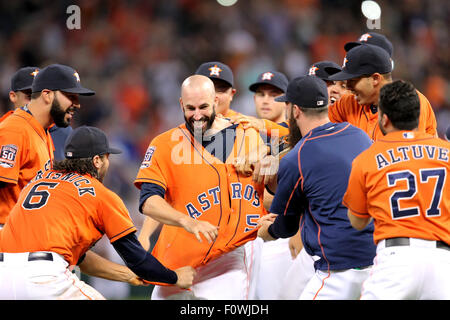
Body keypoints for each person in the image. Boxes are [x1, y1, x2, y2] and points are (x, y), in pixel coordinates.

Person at [0, 126, 195, 299]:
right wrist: (175, 277)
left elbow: (81, 259)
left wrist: (127, 274)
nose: (108, 163)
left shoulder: (36, 182)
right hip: (45, 278)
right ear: (97, 161)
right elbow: (138, 260)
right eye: (106, 157)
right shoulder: (100, 195)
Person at [134, 74, 268, 300]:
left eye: (203, 107)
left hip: (227, 258)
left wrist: (266, 156)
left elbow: (268, 189)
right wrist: (186, 221)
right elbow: (148, 201)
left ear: (216, 101)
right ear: (180, 104)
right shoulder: (165, 144)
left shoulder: (247, 136)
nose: (197, 115)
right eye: (190, 108)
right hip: (179, 258)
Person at [257, 75, 376, 300]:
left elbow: (285, 228)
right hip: (377, 261)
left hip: (338, 270)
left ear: (296, 111)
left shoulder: (297, 157)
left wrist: (263, 231)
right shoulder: (359, 136)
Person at [344, 80, 450, 300]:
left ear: (384, 118)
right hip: (443, 262)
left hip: (396, 258)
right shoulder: (447, 152)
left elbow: (357, 221)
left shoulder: (367, 159)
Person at [0, 63, 94, 229]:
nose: (77, 104)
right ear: (47, 95)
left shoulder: (43, 131)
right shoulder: (15, 130)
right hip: (7, 237)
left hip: (27, 236)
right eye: (71, 96)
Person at [244, 70, 295, 300]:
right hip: (248, 236)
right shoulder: (243, 136)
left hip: (280, 236)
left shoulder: (296, 137)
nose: (265, 99)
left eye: (274, 94)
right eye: (260, 94)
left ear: (286, 101)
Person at [327, 43, 437, 141]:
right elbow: (321, 132)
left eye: (353, 80)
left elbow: (408, 156)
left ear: (375, 78)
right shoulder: (347, 103)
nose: (348, 86)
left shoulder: (410, 102)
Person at [2, 66, 73, 161]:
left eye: (40, 96)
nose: (36, 102)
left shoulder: (64, 131)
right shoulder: (6, 130)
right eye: (30, 97)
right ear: (13, 96)